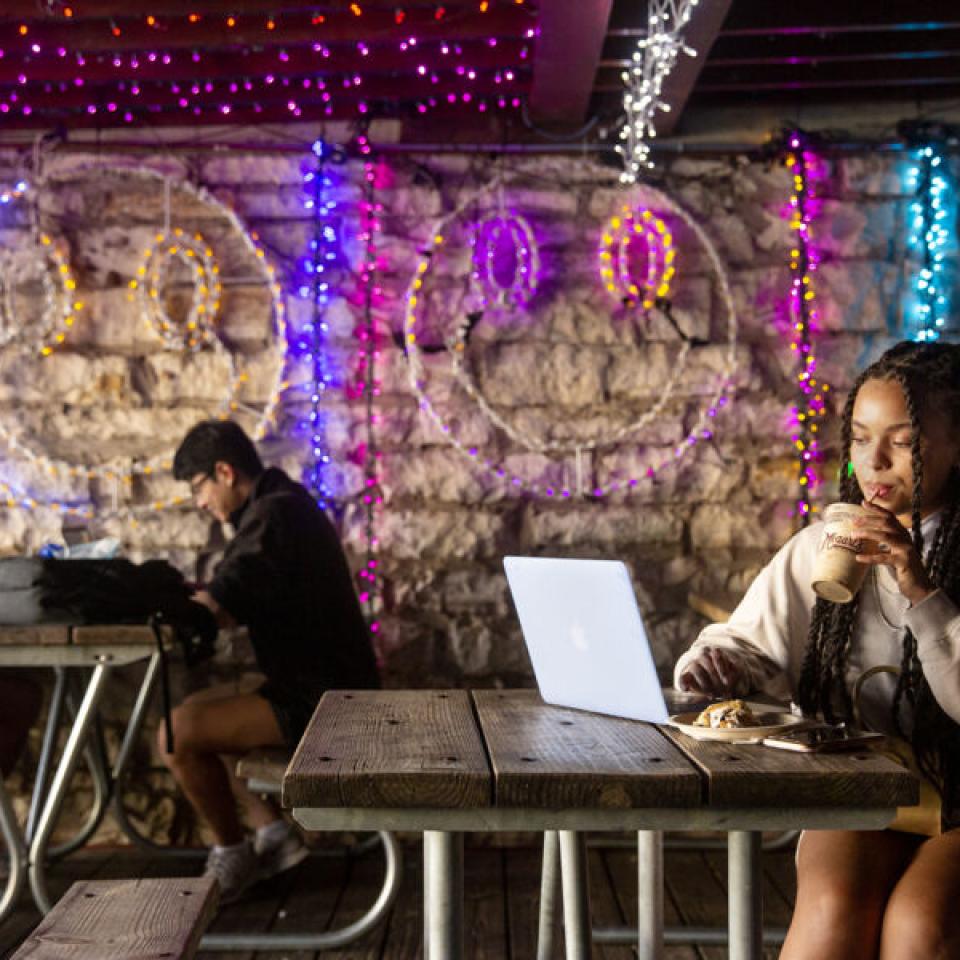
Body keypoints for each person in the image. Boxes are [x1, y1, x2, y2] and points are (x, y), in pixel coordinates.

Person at [674, 340, 960, 960]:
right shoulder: (818, 549)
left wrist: (920, 587)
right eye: (860, 439)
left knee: (919, 926)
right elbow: (738, 641)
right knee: (829, 916)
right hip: (877, 789)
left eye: (903, 441)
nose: (874, 462)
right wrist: (723, 664)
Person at [159, 419, 380, 903]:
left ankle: (231, 854)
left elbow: (226, 594)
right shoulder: (280, 505)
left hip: (325, 702)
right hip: (322, 688)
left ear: (224, 471)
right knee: (201, 707)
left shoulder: (275, 515)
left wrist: (173, 603)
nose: (200, 502)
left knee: (176, 734)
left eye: (199, 488)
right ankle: (274, 835)